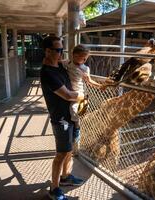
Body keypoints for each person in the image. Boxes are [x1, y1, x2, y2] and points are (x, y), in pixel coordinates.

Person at [40, 36, 85, 200]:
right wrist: (81, 96)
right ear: (47, 51)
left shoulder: (59, 65)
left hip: (70, 116)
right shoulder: (47, 74)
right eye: (58, 50)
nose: (61, 53)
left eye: (62, 50)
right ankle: (54, 188)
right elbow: (67, 95)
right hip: (61, 120)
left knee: (69, 149)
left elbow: (76, 65)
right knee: (61, 153)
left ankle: (66, 177)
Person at [62, 44, 102, 145]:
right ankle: (72, 130)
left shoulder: (85, 68)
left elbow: (89, 81)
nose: (84, 60)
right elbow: (57, 63)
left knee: (74, 111)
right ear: (74, 55)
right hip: (67, 91)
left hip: (78, 93)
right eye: (82, 58)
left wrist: (100, 86)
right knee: (68, 113)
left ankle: (77, 131)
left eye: (86, 58)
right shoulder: (67, 63)